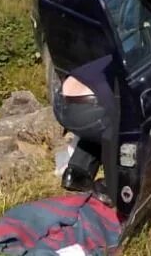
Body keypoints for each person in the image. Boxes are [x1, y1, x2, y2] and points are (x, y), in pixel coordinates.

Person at [51, 54, 114, 196]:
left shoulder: (116, 53)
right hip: (88, 106)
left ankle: (76, 173)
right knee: (123, 123)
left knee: (94, 130)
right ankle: (114, 185)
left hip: (61, 102)